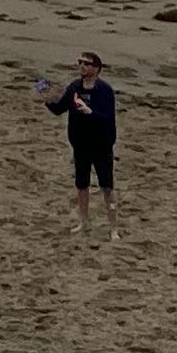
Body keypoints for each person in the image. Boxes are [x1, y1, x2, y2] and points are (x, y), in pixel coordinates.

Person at [34, 52, 119, 230]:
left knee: (107, 188)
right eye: (80, 62)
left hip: (101, 146)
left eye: (87, 64)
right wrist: (47, 97)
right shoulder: (74, 87)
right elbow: (59, 109)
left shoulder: (104, 90)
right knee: (81, 185)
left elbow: (108, 119)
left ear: (96, 68)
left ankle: (113, 227)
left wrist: (90, 112)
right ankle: (84, 222)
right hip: (80, 145)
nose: (82, 66)